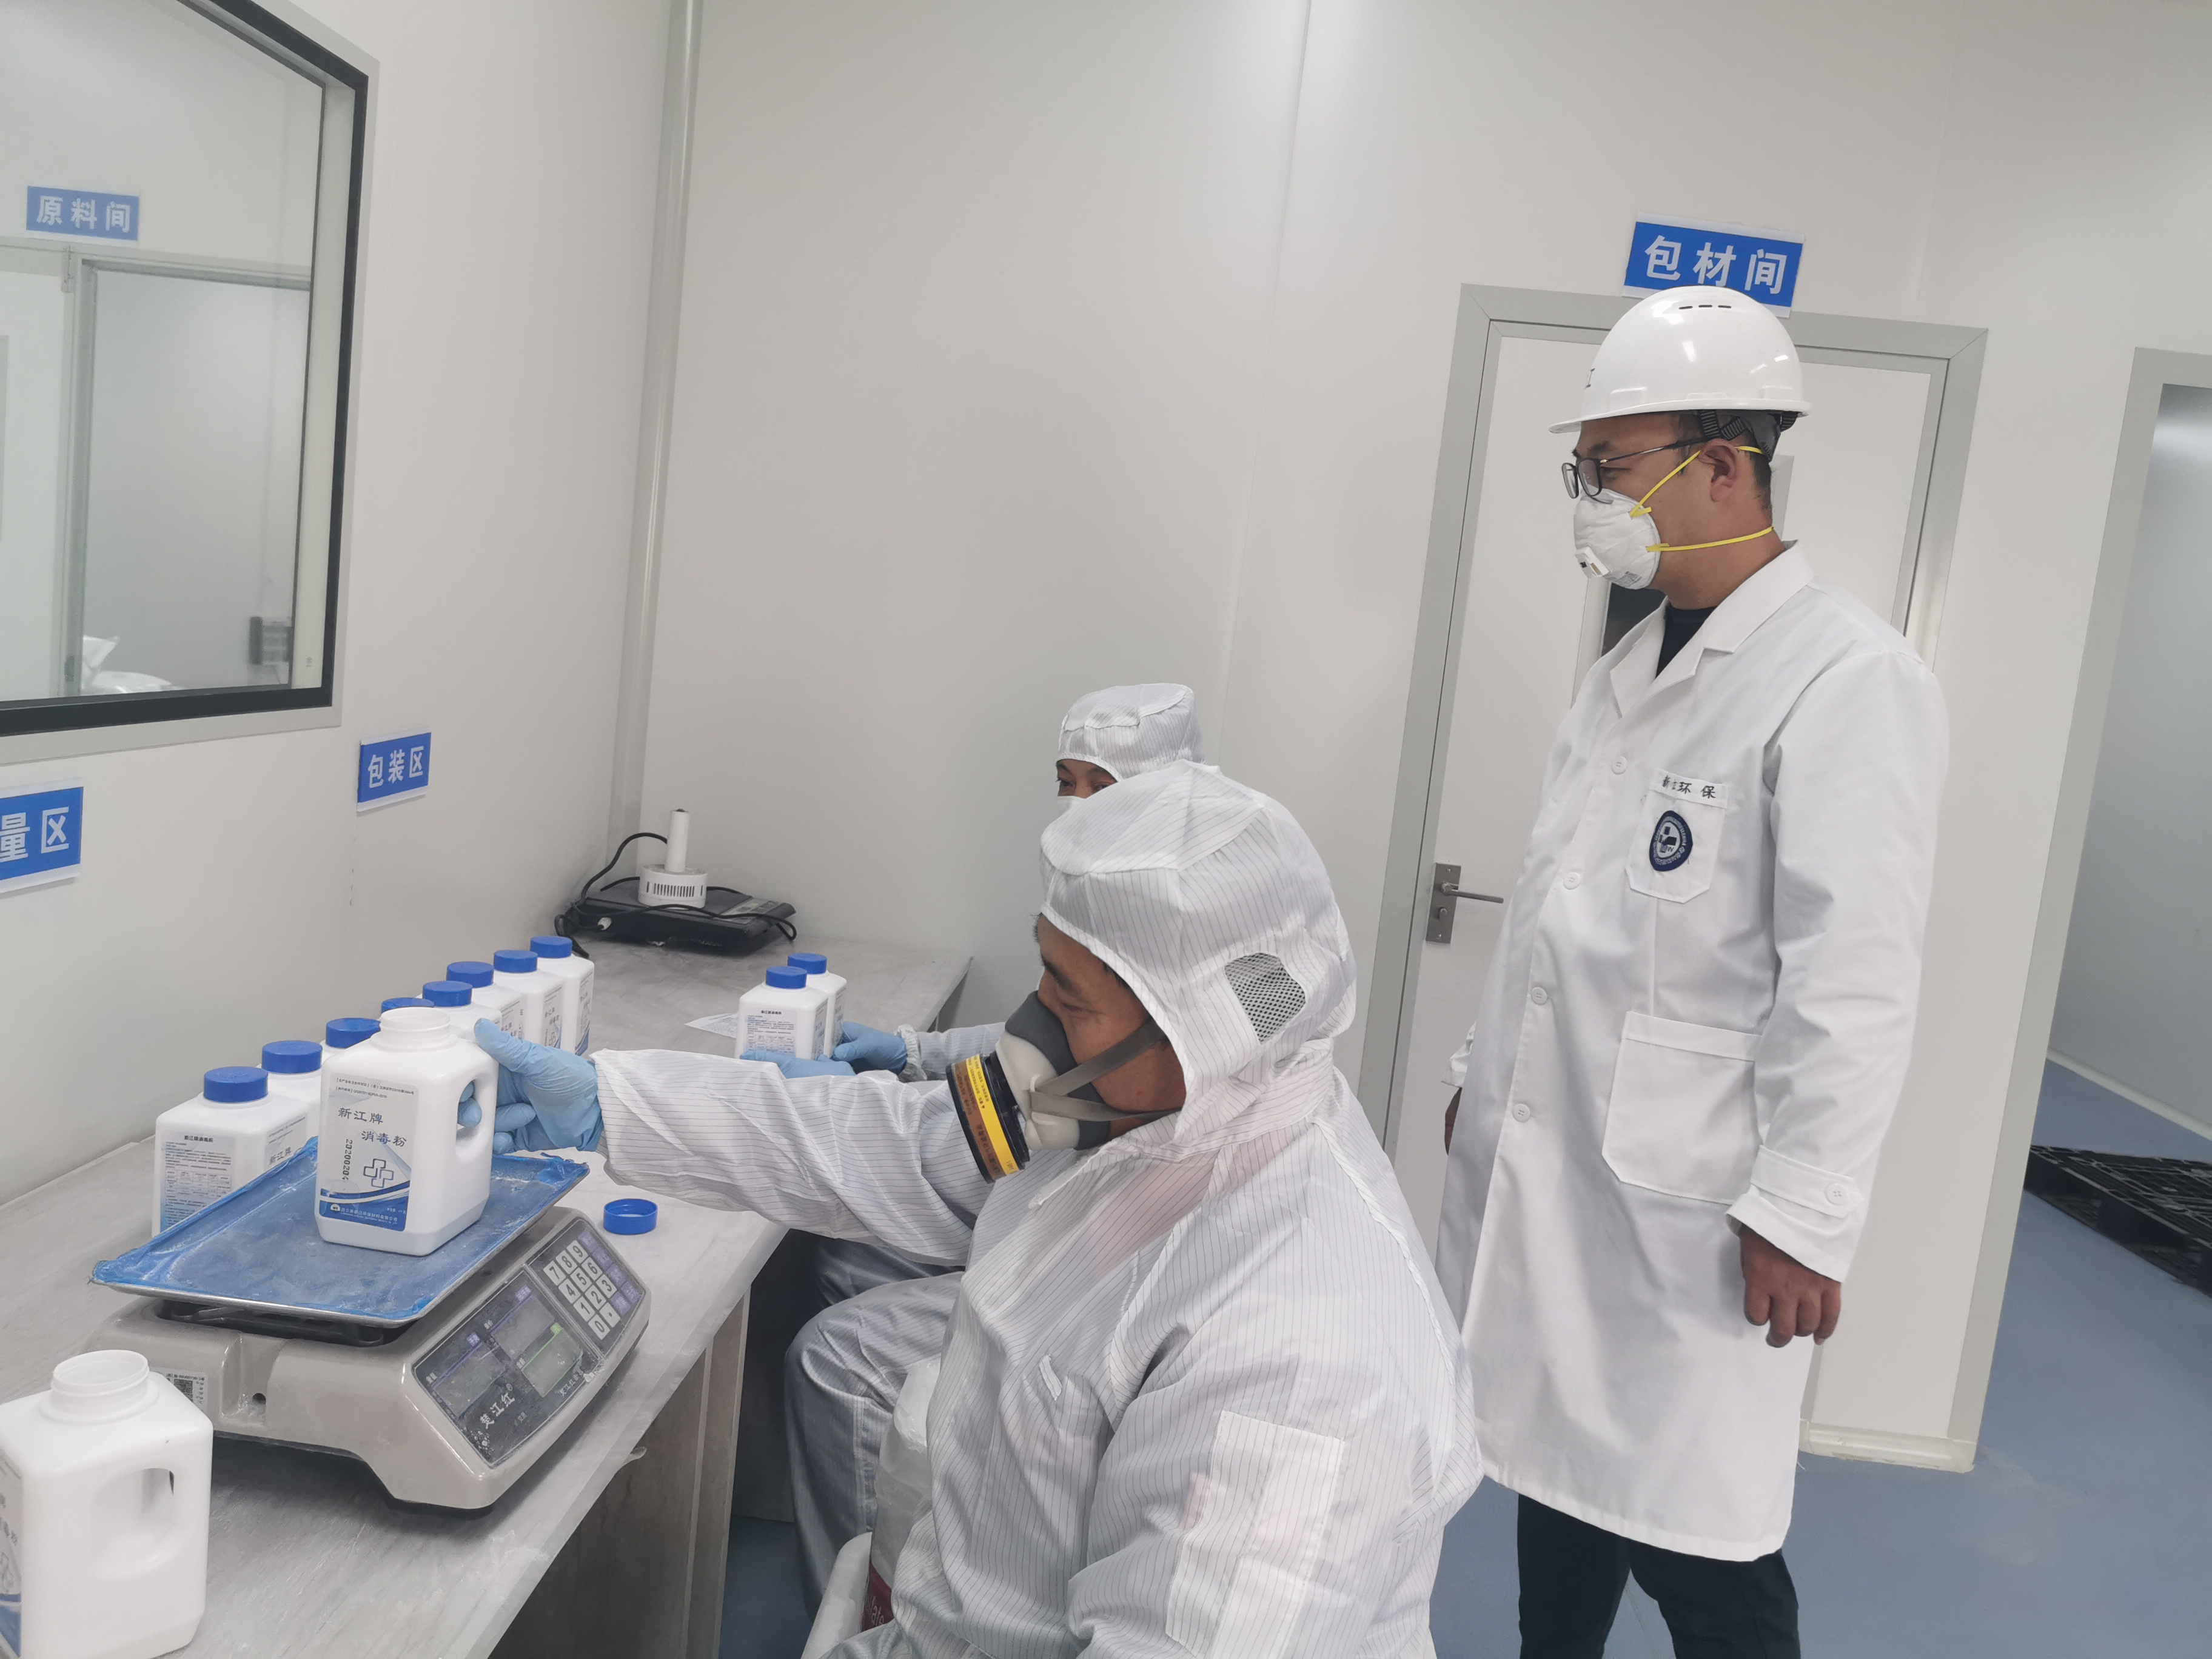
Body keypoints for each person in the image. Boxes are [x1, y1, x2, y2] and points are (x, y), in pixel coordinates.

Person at [481, 762, 1480, 1658]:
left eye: (1067, 997)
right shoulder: (1148, 1117)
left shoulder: (1302, 1366)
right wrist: (610, 1101)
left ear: (1198, 1028)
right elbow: (882, 1147)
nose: (1032, 1026)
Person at [1433, 286, 1948, 1658]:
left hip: (1695, 1210)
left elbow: (1854, 975)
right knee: (1555, 1481)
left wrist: (1807, 1212)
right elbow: (1553, 909)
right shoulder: (1625, 666)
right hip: (1563, 1170)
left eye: (1611, 467)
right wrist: (1482, 1075)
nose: (1593, 500)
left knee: (1703, 1550)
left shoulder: (1846, 679)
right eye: (1587, 471)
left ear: (1723, 466)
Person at [755, 681, 1207, 1600]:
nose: (1078, 806)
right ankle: (936, 1502)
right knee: (851, 1254)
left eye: (1102, 784)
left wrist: (906, 1094)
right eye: (1068, 782)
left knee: (837, 1354)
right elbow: (1055, 1029)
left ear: (1169, 788)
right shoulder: (1115, 889)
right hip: (1080, 1196)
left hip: (1125, 1245)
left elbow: (1087, 1067)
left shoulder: (1191, 914)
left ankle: (882, 1606)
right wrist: (913, 1053)